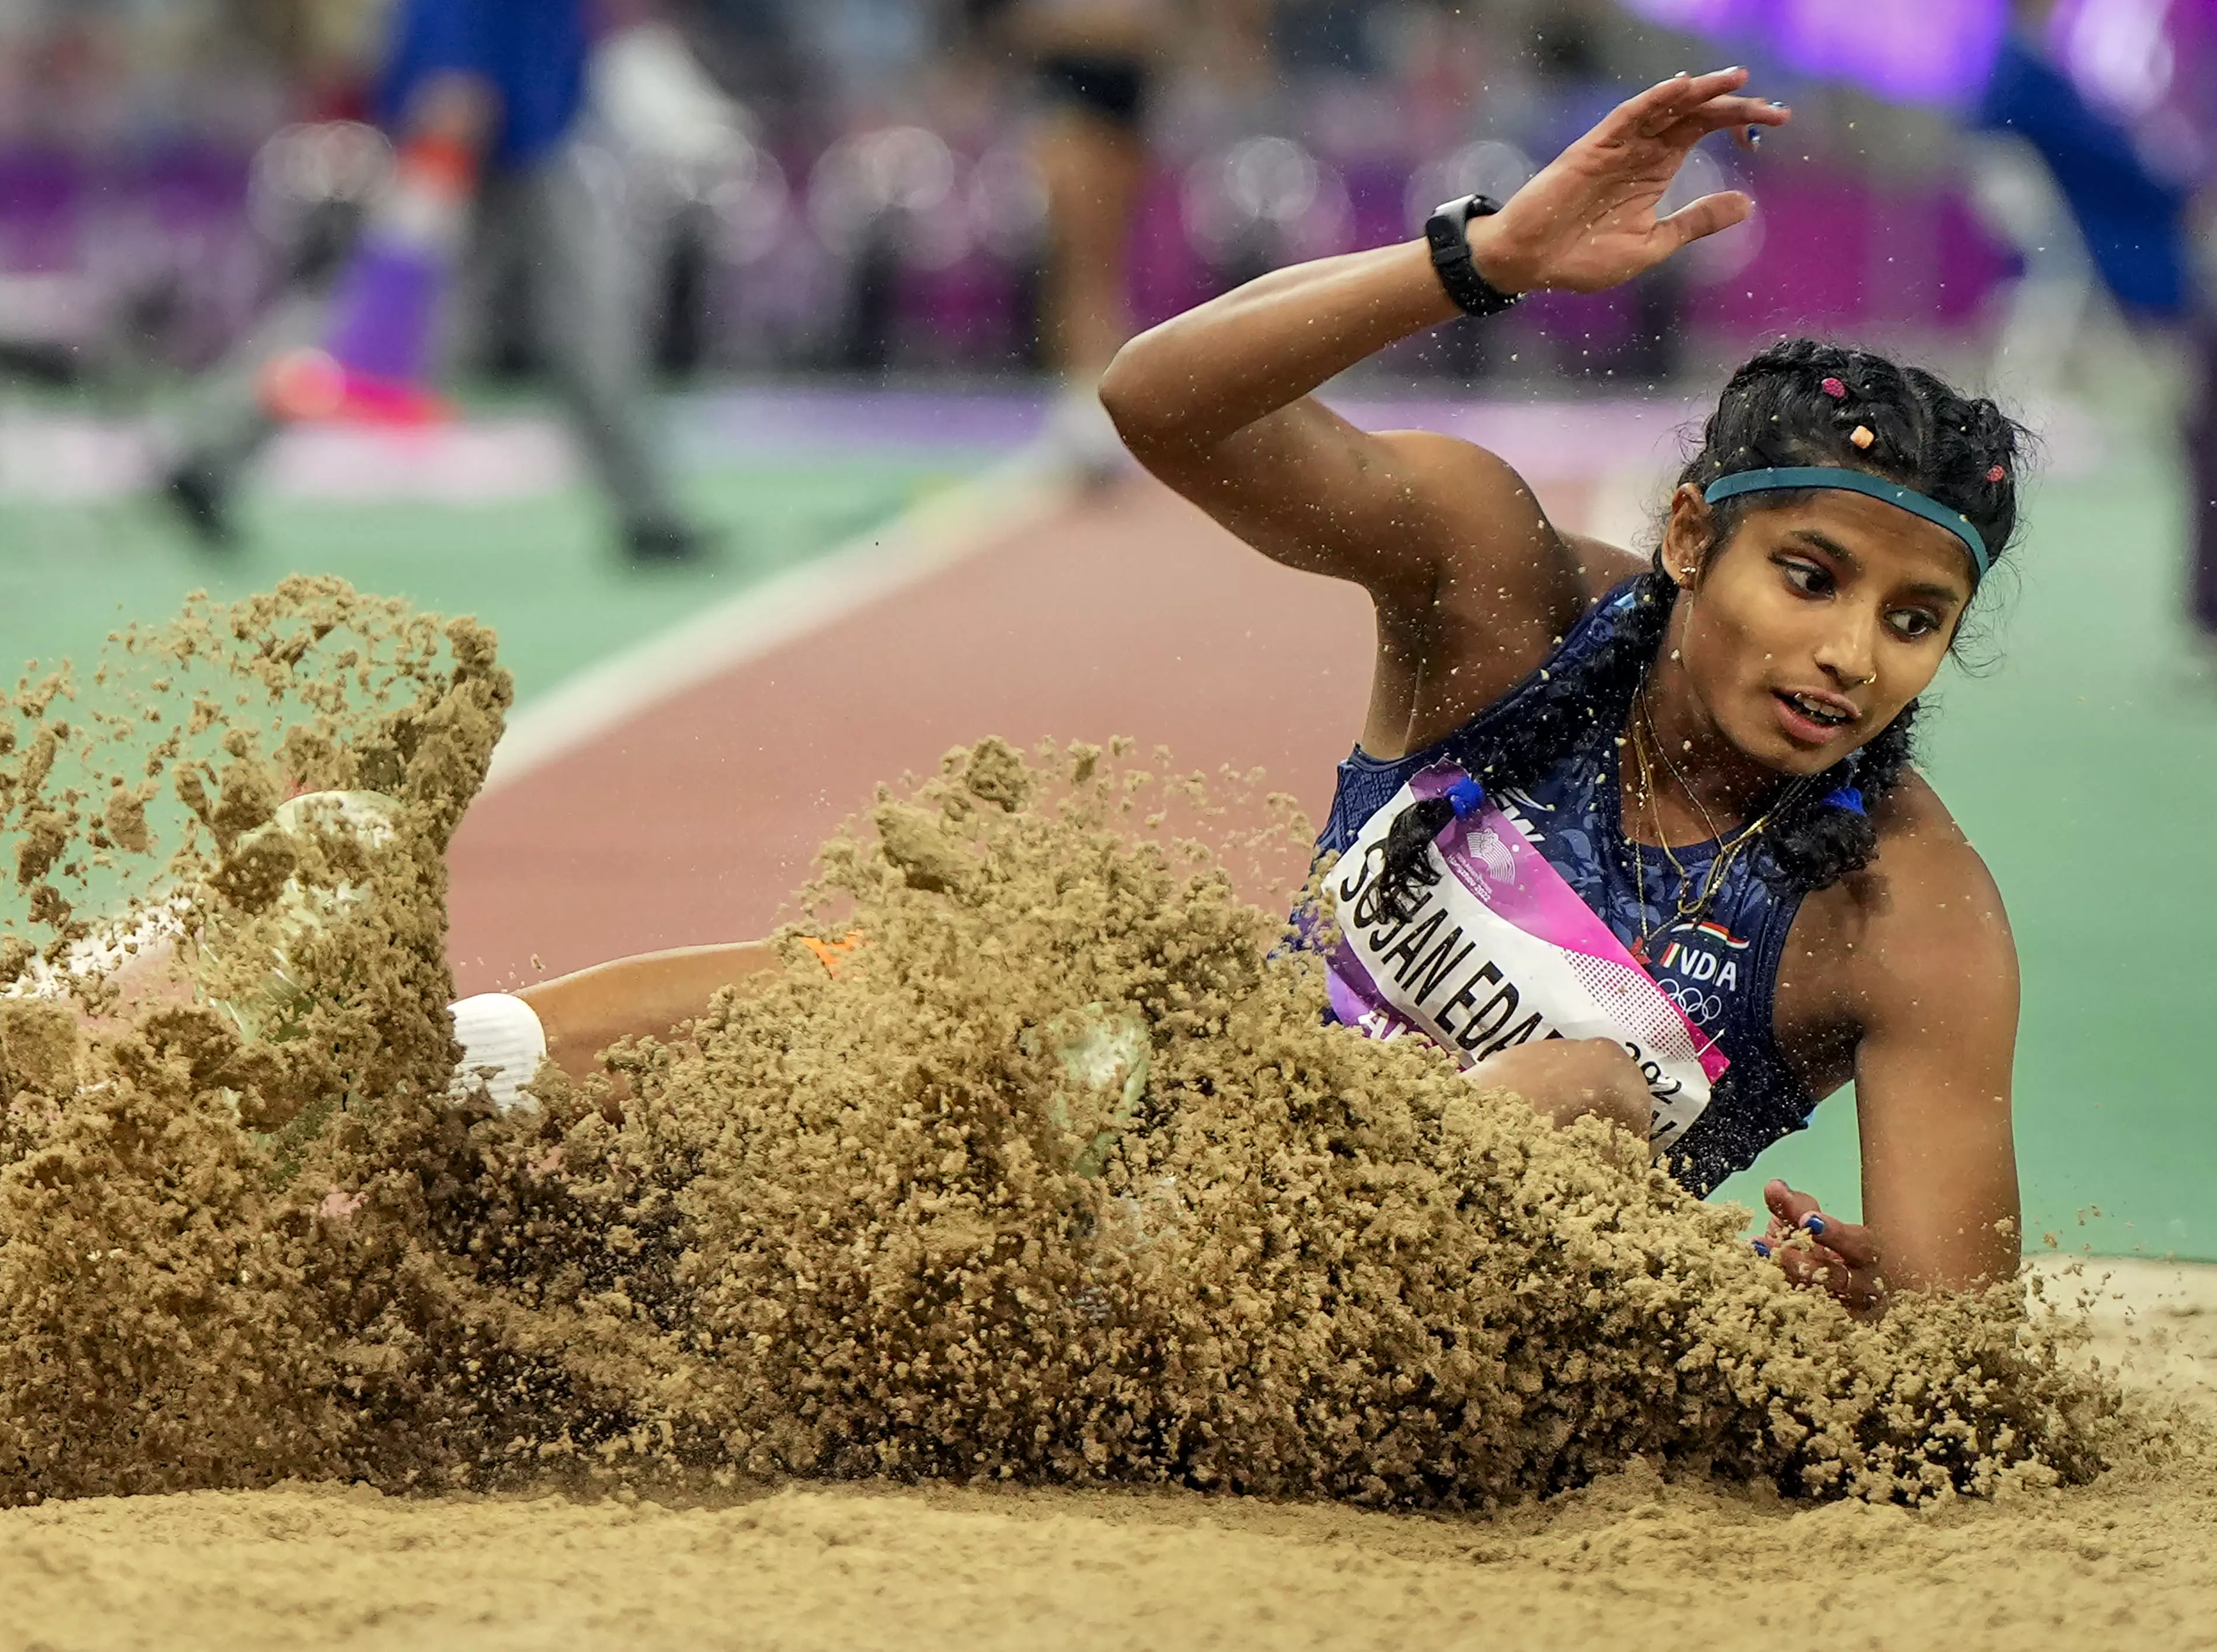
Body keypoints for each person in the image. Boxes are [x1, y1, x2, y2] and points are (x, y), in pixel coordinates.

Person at [471, 71, 2028, 1318]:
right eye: (1810, 576)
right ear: (1692, 534)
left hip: (1409, 1343)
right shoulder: (1504, 594)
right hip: (1165, 1153)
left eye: (1914, 618)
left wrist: (1848, 1308)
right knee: (989, 960)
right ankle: (435, 1077)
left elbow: (1963, 1370)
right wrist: (1478, 259)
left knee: (1580, 1088)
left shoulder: (1906, 914)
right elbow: (1164, 401)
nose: (1850, 654)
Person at [164, 0, 703, 563]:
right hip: (486, 92)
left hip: (538, 85)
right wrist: (458, 76)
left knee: (558, 298)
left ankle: (212, 449)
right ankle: (210, 444)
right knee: (409, 299)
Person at [1003, 0, 1242, 477]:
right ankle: (1082, 401)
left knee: (1106, 241)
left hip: (1139, 72)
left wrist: (1232, 40)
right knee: (1077, 227)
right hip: (1061, 62)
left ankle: (1093, 395)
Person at [1975, 0, 2217, 644]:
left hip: (2103, 213)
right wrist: (2176, 183)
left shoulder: (2024, 58)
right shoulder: (2024, 66)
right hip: (2101, 227)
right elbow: (2100, 152)